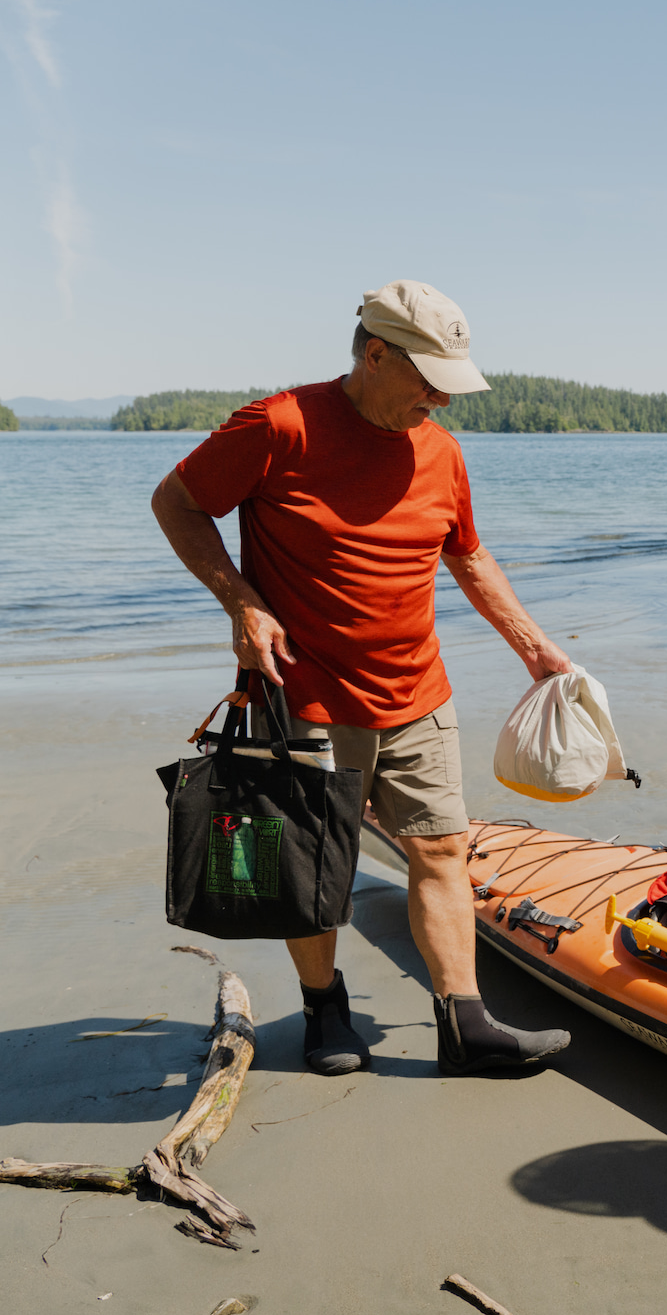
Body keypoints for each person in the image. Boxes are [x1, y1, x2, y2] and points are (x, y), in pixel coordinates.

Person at [151, 280, 576, 1078]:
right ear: (375, 353)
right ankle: (324, 1009)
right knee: (314, 872)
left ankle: (466, 1025)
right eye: (427, 377)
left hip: (418, 692)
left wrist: (535, 648)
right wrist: (241, 603)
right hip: (305, 695)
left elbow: (467, 554)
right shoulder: (279, 425)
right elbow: (175, 502)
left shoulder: (442, 450)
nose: (440, 396)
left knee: (444, 848)